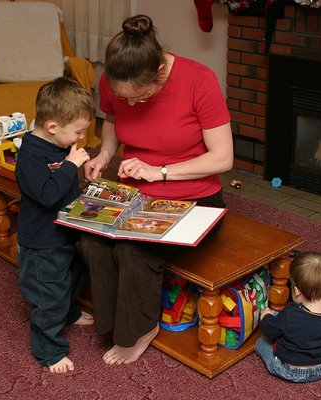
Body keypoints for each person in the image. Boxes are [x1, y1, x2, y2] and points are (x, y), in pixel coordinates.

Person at [80, 14, 233, 365]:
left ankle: (138, 329)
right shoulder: (113, 81)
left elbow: (223, 158)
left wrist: (159, 171)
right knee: (91, 240)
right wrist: (104, 155)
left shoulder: (198, 80)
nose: (130, 105)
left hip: (195, 198)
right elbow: (113, 122)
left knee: (136, 251)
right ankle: (110, 323)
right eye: (123, 97)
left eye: (140, 97)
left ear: (160, 72)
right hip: (135, 193)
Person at [15, 77, 96, 373]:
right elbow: (47, 195)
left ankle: (71, 312)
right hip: (42, 242)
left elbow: (63, 180)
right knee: (50, 295)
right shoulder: (30, 155)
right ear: (52, 127)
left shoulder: (57, 144)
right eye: (77, 132)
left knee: (72, 278)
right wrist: (69, 166)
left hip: (64, 233)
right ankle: (48, 349)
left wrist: (76, 167)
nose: (79, 139)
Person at [255, 251, 321, 383]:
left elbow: (269, 330)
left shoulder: (290, 314)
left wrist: (266, 316)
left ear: (296, 291)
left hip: (290, 371)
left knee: (261, 342)